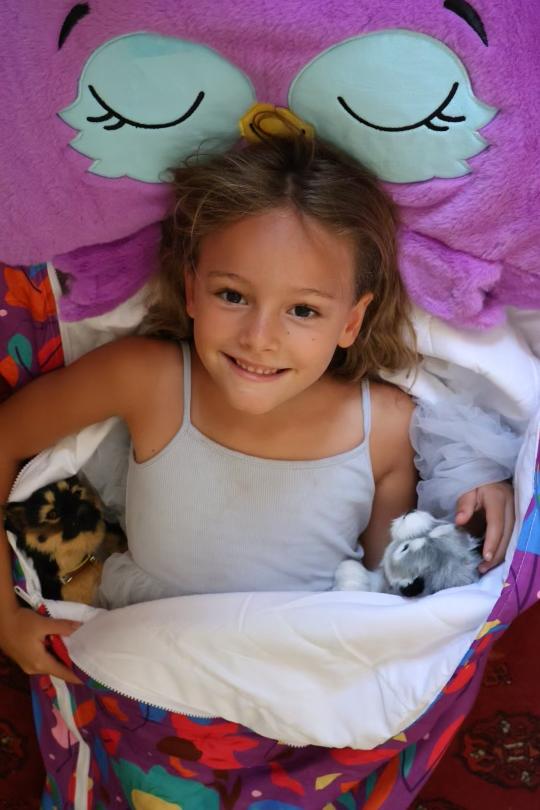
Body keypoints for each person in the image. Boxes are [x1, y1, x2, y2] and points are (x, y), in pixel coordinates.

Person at [0, 128, 513, 684]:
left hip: (304, 684)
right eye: (233, 296)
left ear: (351, 321)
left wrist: (476, 486)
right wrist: (5, 619)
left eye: (303, 310)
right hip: (150, 674)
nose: (259, 338)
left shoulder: (386, 425)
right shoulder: (146, 379)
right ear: (192, 290)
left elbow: (385, 597)